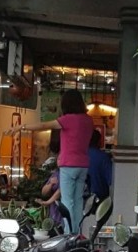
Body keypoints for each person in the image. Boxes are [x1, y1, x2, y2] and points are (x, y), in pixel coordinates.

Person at [10, 90, 93, 234]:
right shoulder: (88, 120)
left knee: (67, 201)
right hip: (83, 165)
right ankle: (78, 233)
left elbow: (44, 126)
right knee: (78, 201)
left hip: (68, 165)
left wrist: (21, 127)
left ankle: (69, 235)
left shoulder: (67, 119)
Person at [88, 129, 112, 203]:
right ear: (99, 141)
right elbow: (110, 180)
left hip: (82, 196)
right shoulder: (104, 157)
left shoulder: (79, 156)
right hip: (101, 197)